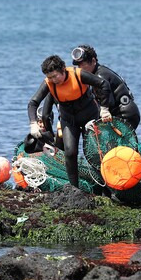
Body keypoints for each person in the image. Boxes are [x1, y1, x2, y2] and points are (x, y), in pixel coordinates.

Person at [28, 55, 114, 188]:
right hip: (69, 120)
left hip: (89, 116)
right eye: (49, 77)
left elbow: (104, 84)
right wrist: (33, 124)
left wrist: (104, 109)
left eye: (55, 76)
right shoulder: (49, 83)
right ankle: (74, 188)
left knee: (94, 152)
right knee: (70, 152)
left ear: (63, 69)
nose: (52, 80)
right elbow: (33, 103)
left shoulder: (78, 74)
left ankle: (105, 187)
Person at [71, 45, 141, 129]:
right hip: (122, 112)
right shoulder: (96, 73)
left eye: (83, 64)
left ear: (93, 61)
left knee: (115, 141)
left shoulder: (100, 76)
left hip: (125, 114)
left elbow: (108, 102)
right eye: (78, 66)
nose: (80, 69)